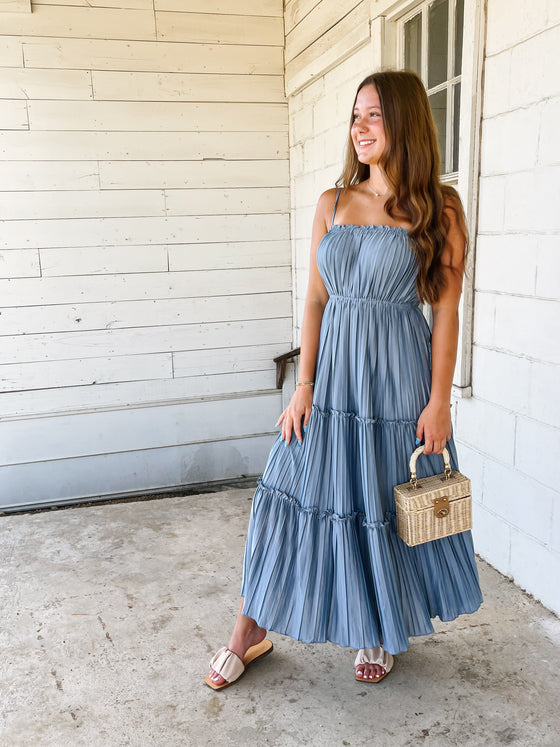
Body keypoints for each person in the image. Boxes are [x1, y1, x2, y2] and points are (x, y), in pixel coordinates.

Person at [205, 69, 483, 690]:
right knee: (284, 494)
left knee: (377, 505)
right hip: (330, 383)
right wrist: (302, 386)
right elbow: (314, 300)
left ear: (406, 121)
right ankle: (248, 630)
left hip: (396, 385)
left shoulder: (439, 209)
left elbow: (445, 314)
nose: (359, 127)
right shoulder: (332, 202)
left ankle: (375, 628)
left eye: (374, 115)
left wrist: (440, 402)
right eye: (355, 115)